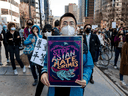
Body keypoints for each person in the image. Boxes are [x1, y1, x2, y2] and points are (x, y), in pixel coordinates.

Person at [40, 13, 94, 96]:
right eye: (65, 23)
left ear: (76, 28)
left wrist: (85, 78)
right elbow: (46, 64)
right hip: (55, 89)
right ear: (60, 28)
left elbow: (88, 66)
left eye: (71, 24)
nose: (68, 26)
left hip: (75, 89)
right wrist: (44, 73)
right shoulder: (52, 46)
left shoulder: (82, 47)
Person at [35, 24, 54, 96]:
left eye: (49, 31)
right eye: (45, 31)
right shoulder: (41, 41)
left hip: (52, 65)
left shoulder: (54, 41)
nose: (47, 32)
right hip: (43, 65)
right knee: (41, 82)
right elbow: (37, 56)